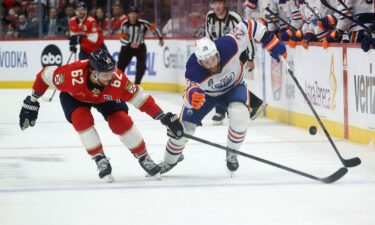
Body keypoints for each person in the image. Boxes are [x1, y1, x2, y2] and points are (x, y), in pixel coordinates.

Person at [18, 47, 184, 183]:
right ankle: (100, 159)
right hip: (75, 97)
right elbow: (44, 75)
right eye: (106, 74)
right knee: (81, 119)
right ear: (93, 72)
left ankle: (143, 157)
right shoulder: (70, 76)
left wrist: (163, 117)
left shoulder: (117, 80)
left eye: (111, 72)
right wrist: (32, 100)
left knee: (121, 121)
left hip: (105, 98)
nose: (111, 77)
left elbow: (141, 99)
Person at [158, 18, 287, 174]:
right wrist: (193, 95)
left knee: (239, 115)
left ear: (217, 54)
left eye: (213, 59)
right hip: (207, 95)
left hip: (233, 88)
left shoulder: (229, 45)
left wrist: (270, 40)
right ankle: (169, 160)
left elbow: (249, 25)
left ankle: (232, 153)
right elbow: (188, 92)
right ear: (200, 62)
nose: (212, 65)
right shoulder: (194, 69)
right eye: (207, 63)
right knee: (184, 129)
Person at [205, 0, 266, 125]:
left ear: (224, 4)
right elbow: (208, 37)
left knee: (226, 79)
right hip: (220, 55)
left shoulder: (234, 18)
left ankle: (223, 109)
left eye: (219, 3)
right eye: (214, 3)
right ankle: (224, 109)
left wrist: (250, 58)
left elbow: (248, 37)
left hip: (238, 53)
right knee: (220, 78)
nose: (217, 6)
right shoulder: (209, 17)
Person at [117, 6, 164, 85]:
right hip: (127, 48)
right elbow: (122, 38)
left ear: (137, 15)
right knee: (120, 66)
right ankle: (120, 83)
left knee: (141, 66)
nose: (133, 15)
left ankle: (137, 84)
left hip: (140, 47)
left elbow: (154, 27)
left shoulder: (143, 23)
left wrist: (160, 38)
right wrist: (130, 44)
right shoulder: (124, 24)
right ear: (128, 14)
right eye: (131, 13)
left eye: (135, 13)